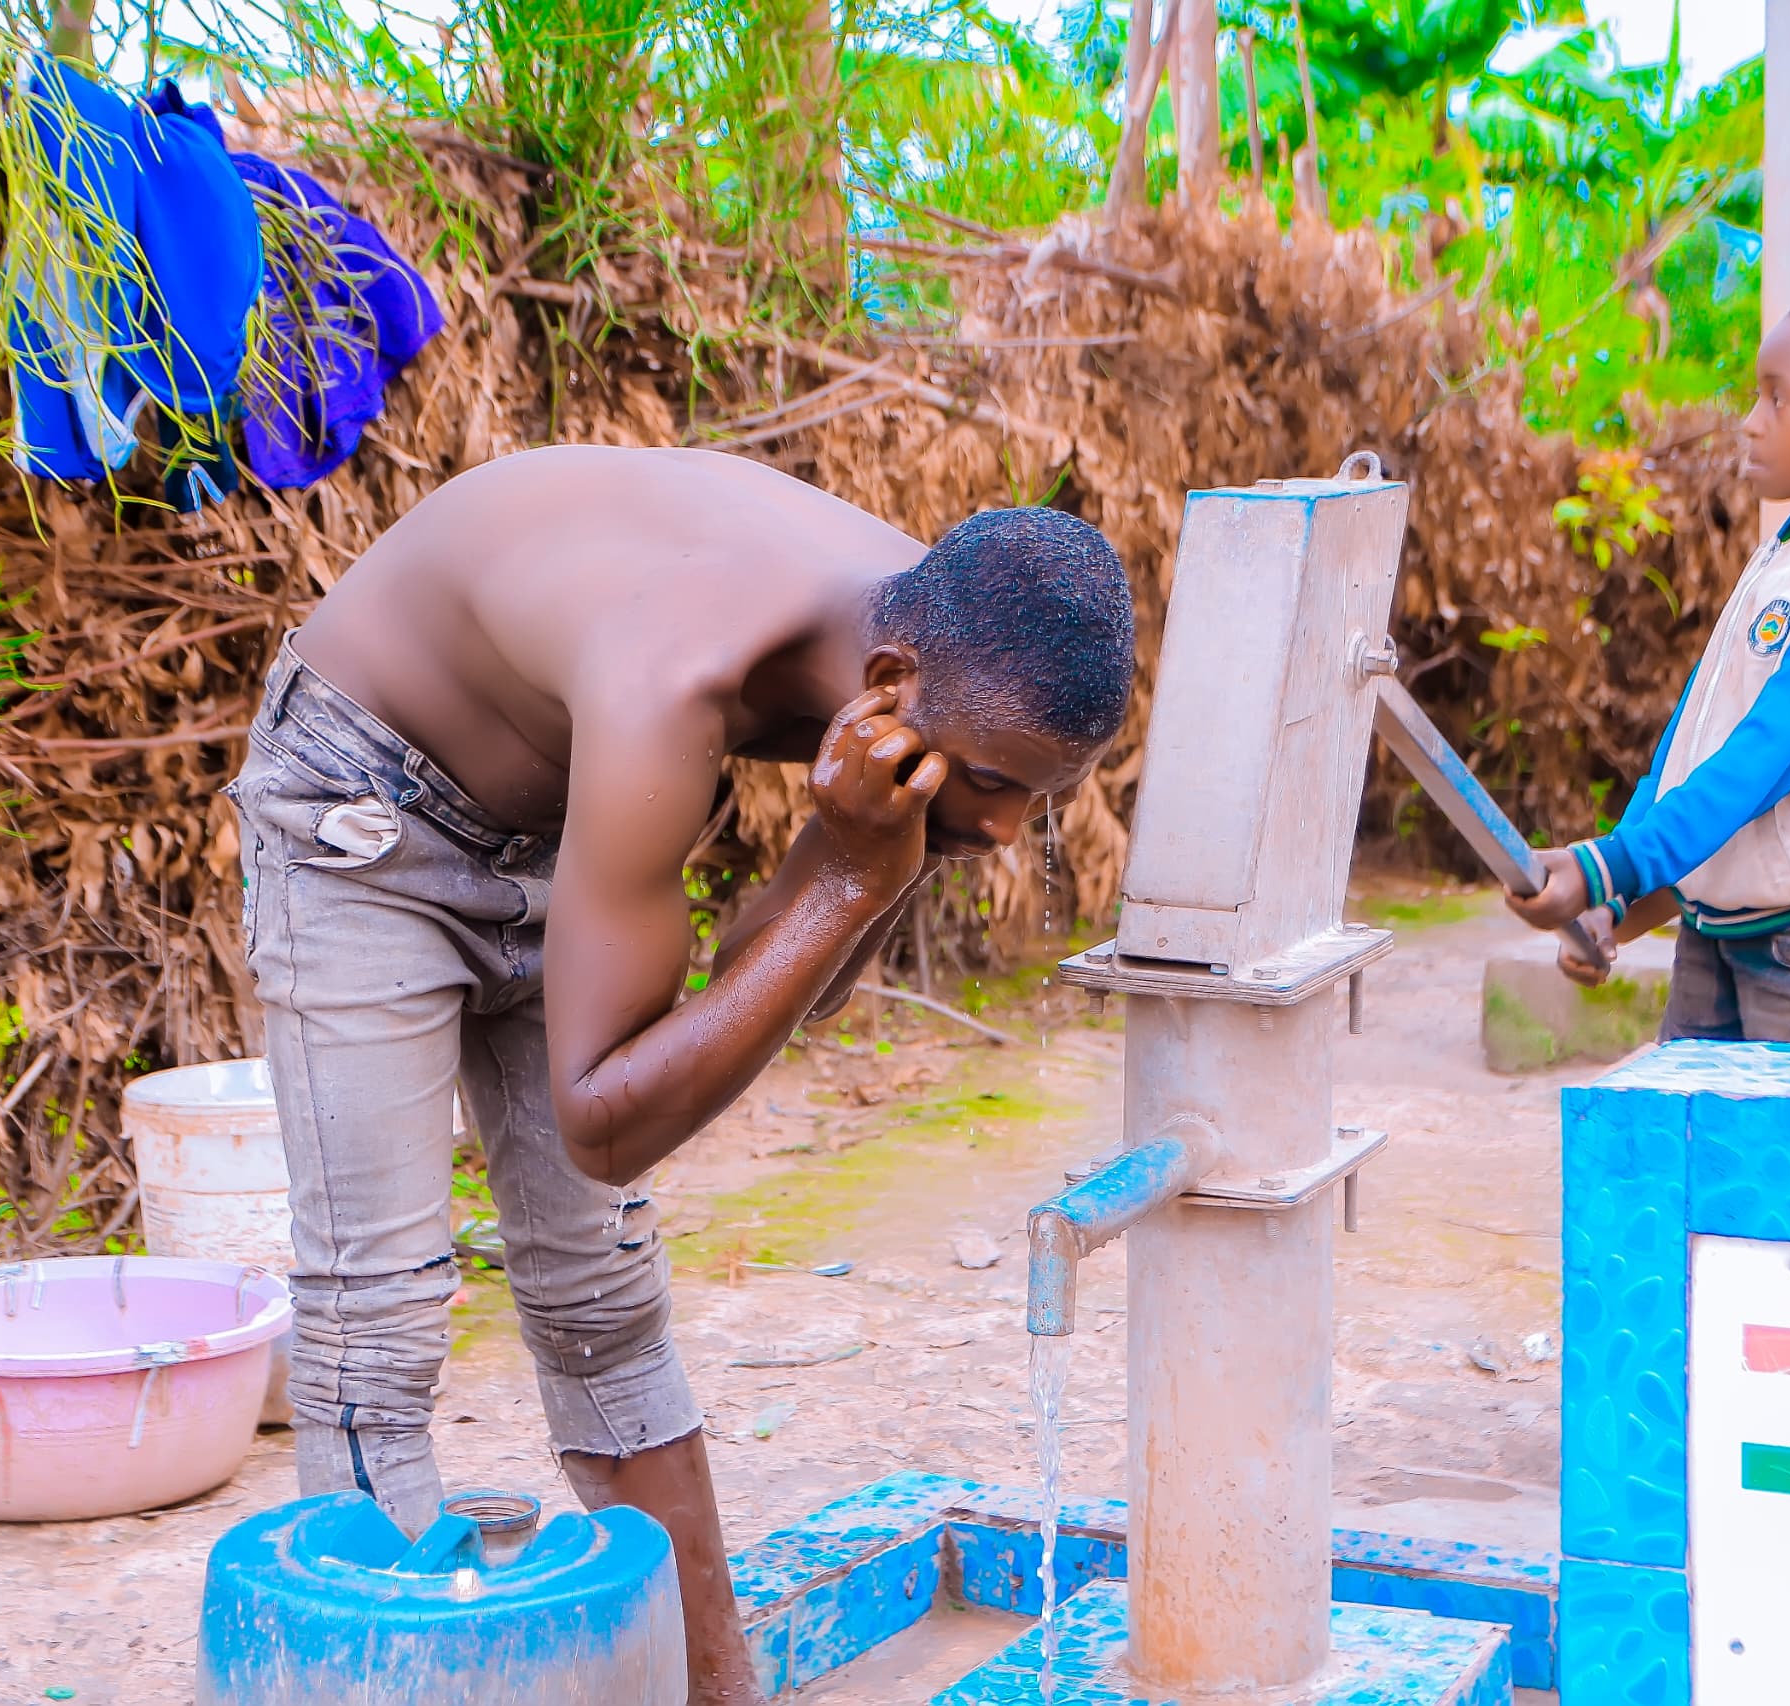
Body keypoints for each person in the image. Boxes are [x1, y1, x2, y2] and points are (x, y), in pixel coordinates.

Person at [222, 445, 1135, 1704]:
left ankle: (717, 1690)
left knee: (601, 1293)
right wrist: (859, 874)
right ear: (887, 685)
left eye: (1037, 799)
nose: (998, 830)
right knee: (373, 1322)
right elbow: (606, 1120)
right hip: (363, 801)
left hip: (563, 814)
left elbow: (784, 989)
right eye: (988, 786)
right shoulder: (680, 671)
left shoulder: (938, 629)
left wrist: (851, 852)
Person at [1508, 292, 1790, 1047]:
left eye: (1778, 398)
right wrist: (1621, 900)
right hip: (1714, 939)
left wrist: (1608, 865)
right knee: (1706, 1160)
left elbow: (1760, 762)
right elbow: (1695, 750)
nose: (1751, 419)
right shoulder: (1788, 550)